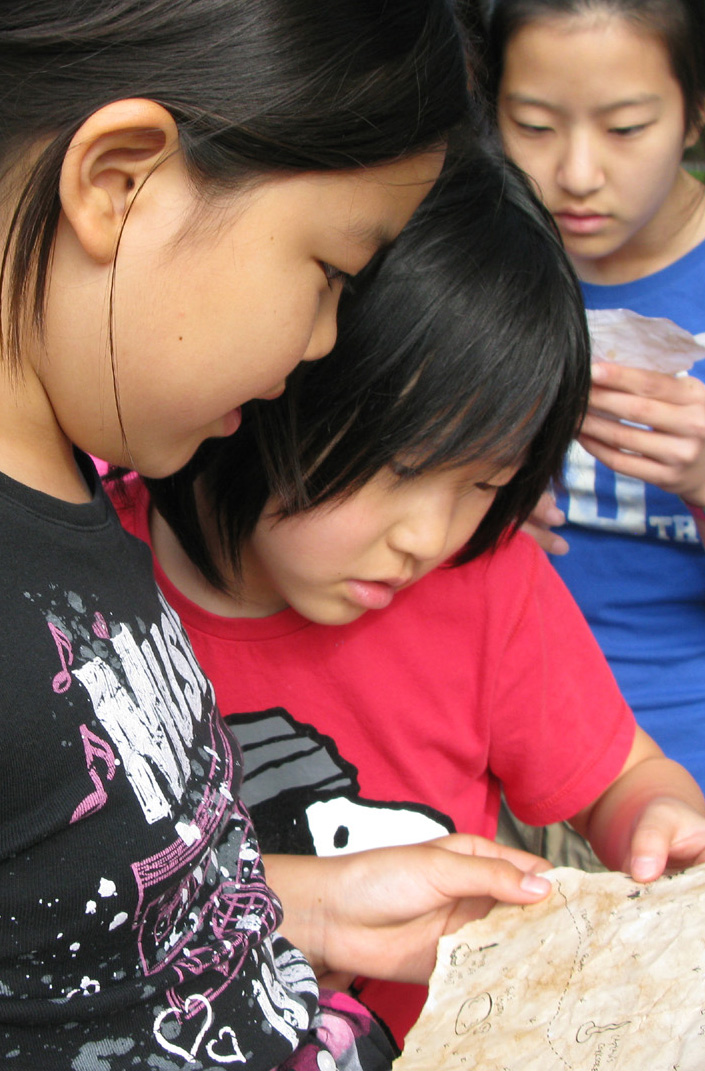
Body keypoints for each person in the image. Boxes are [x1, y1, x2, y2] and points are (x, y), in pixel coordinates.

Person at [0, 4, 567, 1069]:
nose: (321, 345)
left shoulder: (79, 479)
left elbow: (89, 900)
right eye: (333, 274)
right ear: (118, 182)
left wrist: (313, 903)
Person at [111, 144, 705, 1045]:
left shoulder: (484, 588)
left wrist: (658, 823)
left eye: (484, 485)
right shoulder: (87, 601)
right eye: (402, 468)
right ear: (276, 375)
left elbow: (625, 774)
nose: (427, 536)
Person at [483, 0, 705, 863]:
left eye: (626, 127)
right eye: (534, 125)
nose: (577, 172)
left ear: (697, 105)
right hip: (487, 784)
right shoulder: (472, 265)